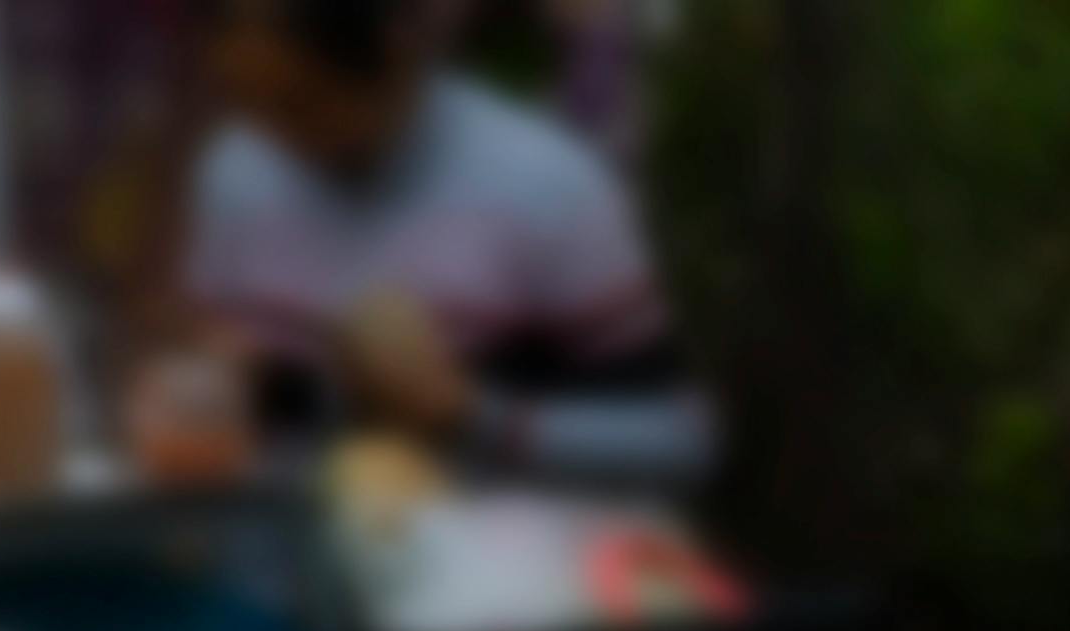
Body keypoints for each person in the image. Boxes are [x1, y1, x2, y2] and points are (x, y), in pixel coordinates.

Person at [171, 0, 708, 491]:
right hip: (282, 550)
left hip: (495, 559)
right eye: (249, 102)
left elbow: (680, 442)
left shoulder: (547, 187)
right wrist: (207, 393)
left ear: (396, 56)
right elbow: (230, 379)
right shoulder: (238, 171)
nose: (273, 138)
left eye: (300, 102)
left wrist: (470, 416)